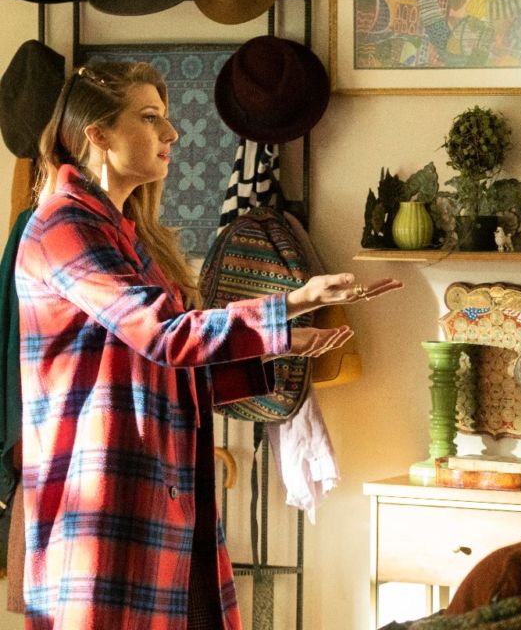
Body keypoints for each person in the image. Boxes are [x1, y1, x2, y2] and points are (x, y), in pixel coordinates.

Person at [15, 61, 402, 630]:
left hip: (161, 499)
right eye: (151, 118)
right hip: (104, 509)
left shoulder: (125, 234)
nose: (172, 134)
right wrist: (290, 305)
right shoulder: (64, 227)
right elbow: (163, 335)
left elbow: (163, 371)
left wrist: (280, 346)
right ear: (98, 135)